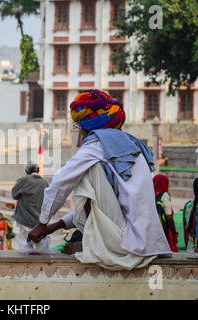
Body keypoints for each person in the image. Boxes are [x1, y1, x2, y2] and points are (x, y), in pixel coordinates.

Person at [27, 89, 171, 270]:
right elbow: (104, 202)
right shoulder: (128, 142)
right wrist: (53, 227)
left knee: (83, 171)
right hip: (145, 240)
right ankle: (96, 242)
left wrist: (41, 224)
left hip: (128, 244)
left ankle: (96, 245)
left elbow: (60, 183)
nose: (79, 133)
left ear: (86, 128)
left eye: (79, 128)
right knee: (84, 170)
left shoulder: (96, 145)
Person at [11, 162, 49, 240]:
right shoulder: (45, 182)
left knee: (25, 245)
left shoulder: (23, 180)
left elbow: (14, 195)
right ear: (38, 170)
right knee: (38, 246)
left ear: (26, 171)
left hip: (25, 219)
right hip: (39, 221)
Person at [153, 174, 178, 252]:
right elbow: (169, 217)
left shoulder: (151, 195)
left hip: (154, 231)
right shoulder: (164, 196)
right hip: (165, 231)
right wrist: (174, 233)